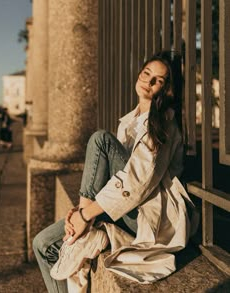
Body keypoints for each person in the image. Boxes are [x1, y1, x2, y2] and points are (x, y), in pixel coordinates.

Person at [33, 51, 197, 293]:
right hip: (120, 209)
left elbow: (138, 182)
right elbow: (112, 178)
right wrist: (83, 213)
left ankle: (83, 226)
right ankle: (83, 227)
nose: (149, 82)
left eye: (159, 80)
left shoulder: (164, 124)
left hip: (144, 216)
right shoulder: (130, 121)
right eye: (146, 74)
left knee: (100, 140)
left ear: (167, 89)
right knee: (42, 244)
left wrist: (85, 214)